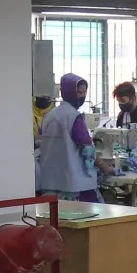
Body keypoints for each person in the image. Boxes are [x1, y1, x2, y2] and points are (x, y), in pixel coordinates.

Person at [36, 72, 99, 201]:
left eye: (84, 92)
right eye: (79, 92)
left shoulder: (49, 115)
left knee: (54, 213)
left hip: (50, 179)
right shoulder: (74, 117)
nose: (82, 96)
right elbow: (87, 149)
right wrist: (104, 166)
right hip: (73, 183)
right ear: (69, 92)